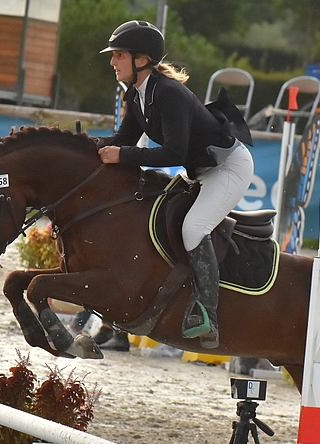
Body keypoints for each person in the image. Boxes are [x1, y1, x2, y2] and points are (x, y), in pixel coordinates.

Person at [96, 20, 254, 349]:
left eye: (119, 55)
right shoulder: (136, 93)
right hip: (198, 169)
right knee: (152, 210)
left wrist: (121, 155)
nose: (112, 62)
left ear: (142, 59)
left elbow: (172, 152)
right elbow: (122, 139)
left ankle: (207, 315)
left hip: (227, 168)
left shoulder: (168, 93)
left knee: (193, 228)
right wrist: (80, 145)